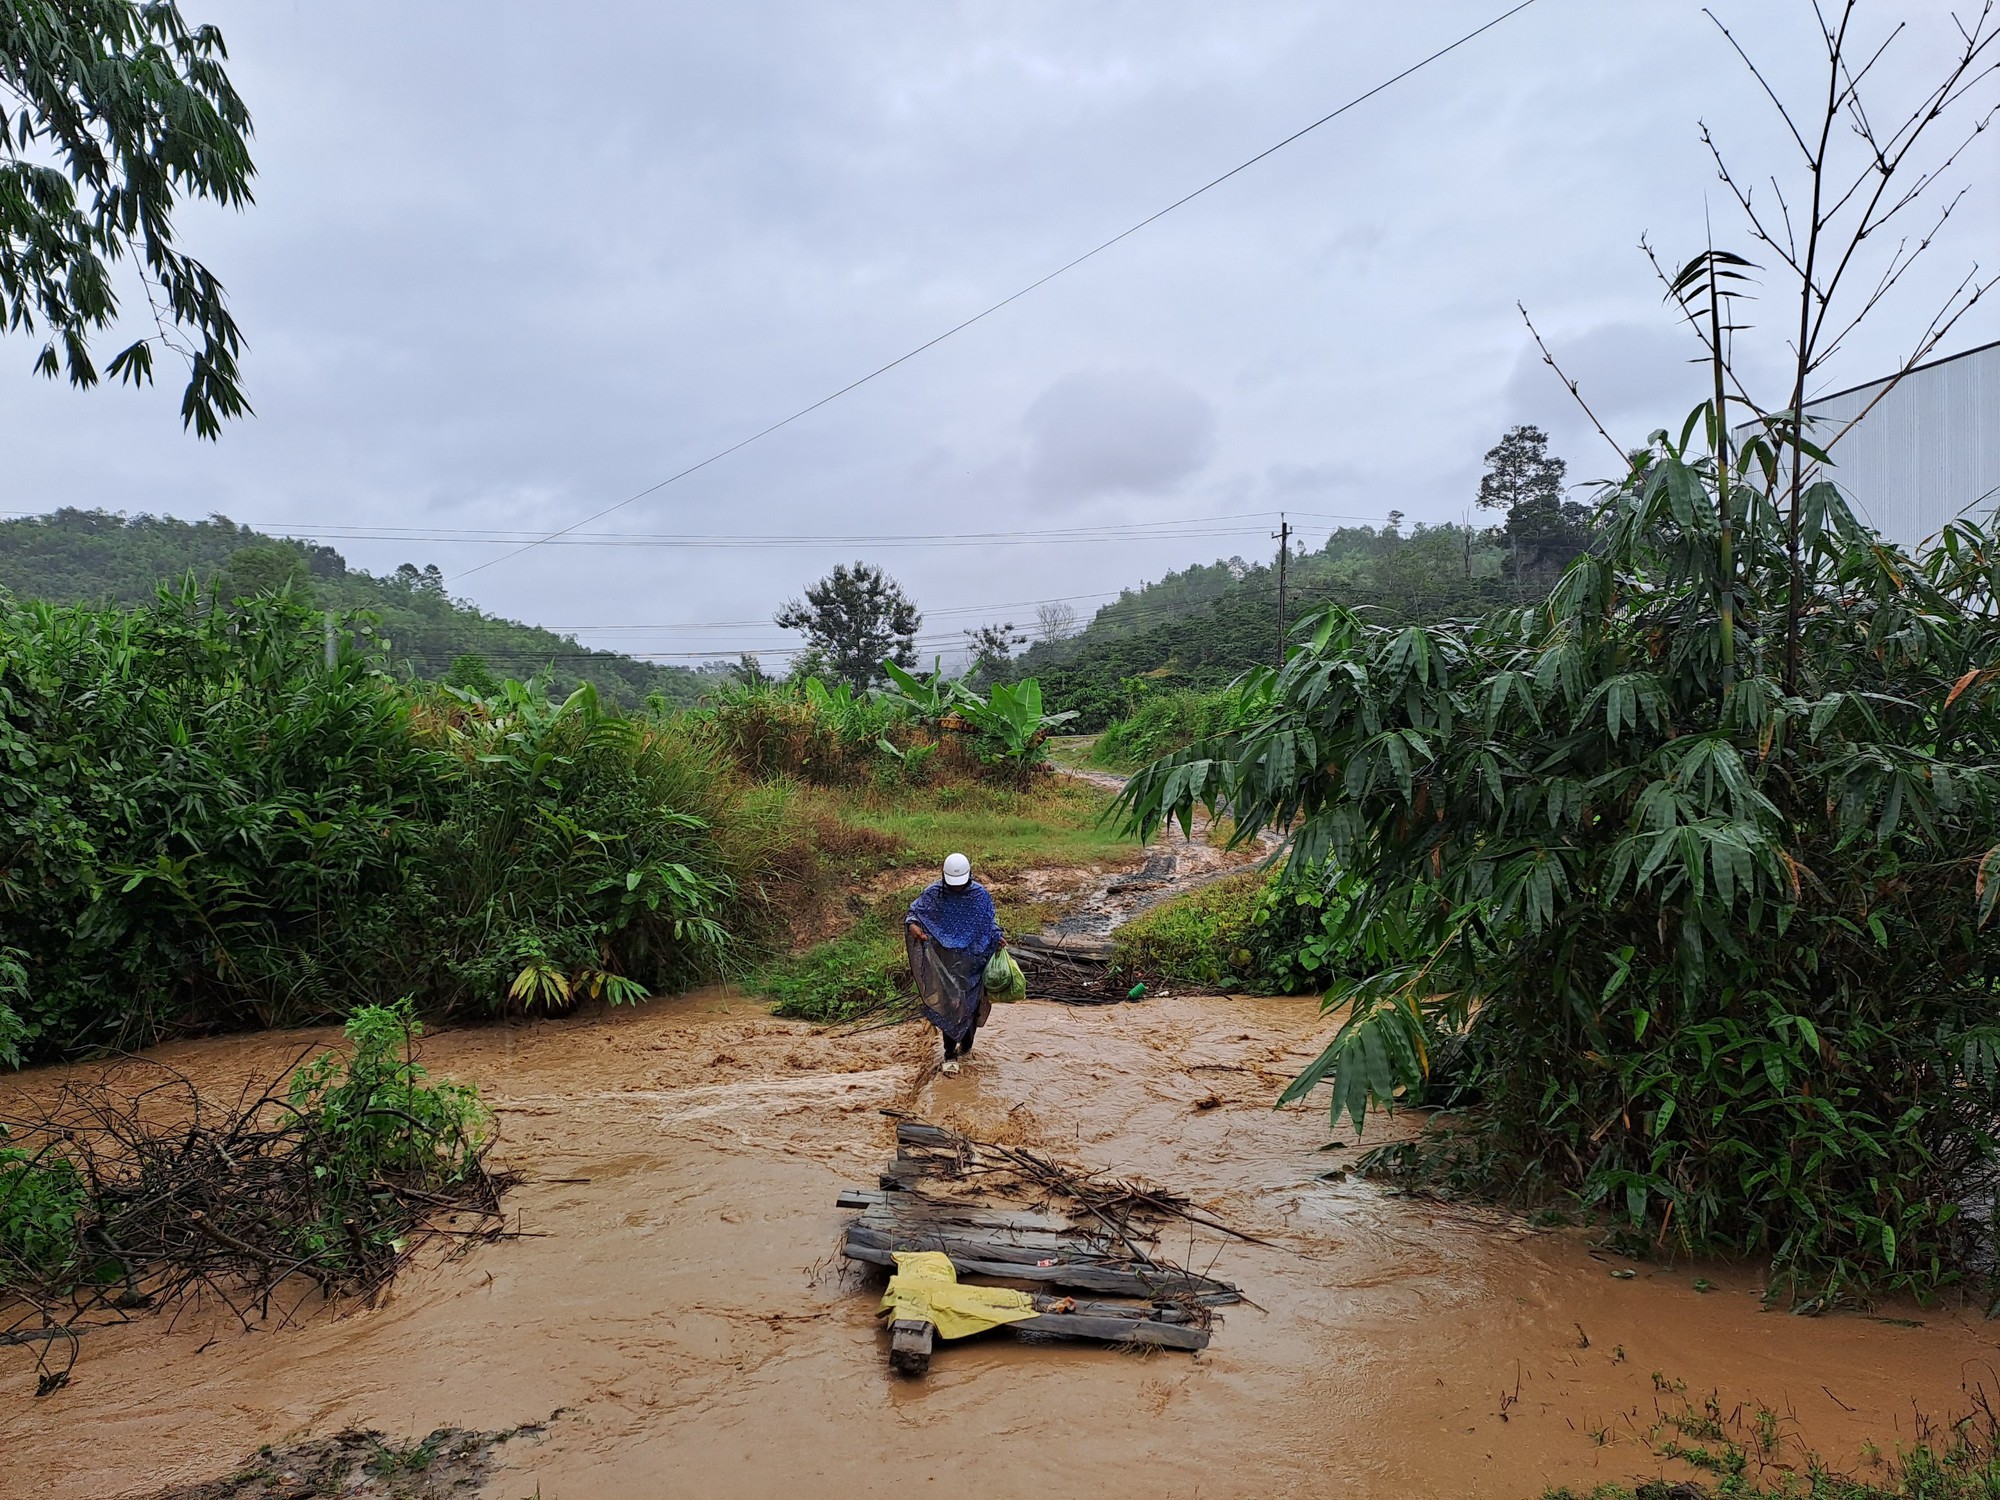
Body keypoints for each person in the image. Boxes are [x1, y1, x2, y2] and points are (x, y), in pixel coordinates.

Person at [905, 852, 1005, 1075]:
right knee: (951, 1008)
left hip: (973, 962)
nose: (957, 889)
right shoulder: (933, 894)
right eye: (953, 885)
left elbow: (989, 923)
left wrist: (997, 937)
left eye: (961, 885)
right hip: (945, 963)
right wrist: (913, 926)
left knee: (971, 1008)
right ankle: (950, 1053)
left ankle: (967, 1046)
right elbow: (914, 914)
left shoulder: (979, 895)